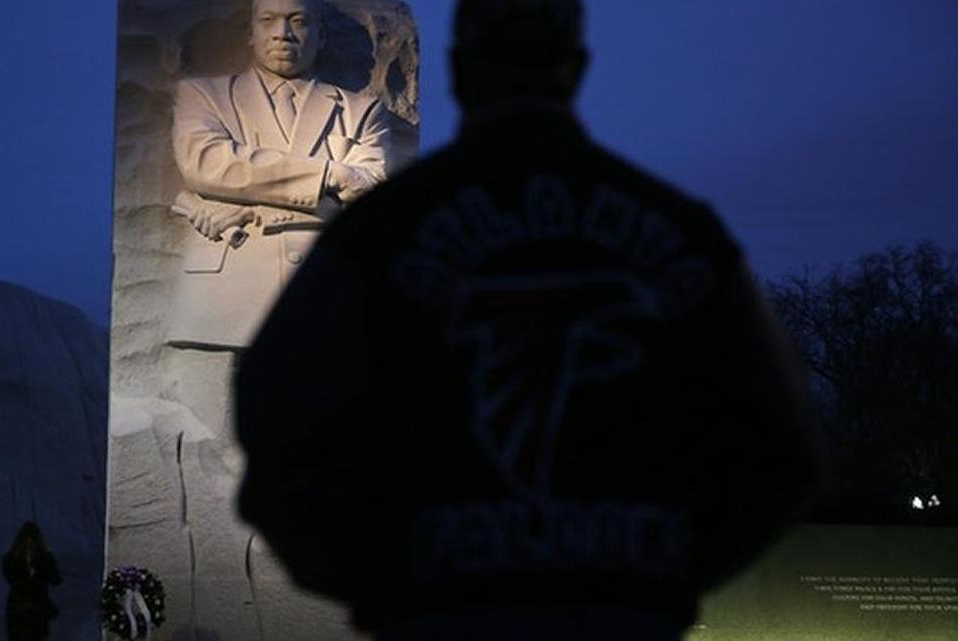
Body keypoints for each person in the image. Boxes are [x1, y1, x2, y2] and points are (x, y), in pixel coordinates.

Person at [234, 0, 826, 639]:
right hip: (620, 613)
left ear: (458, 69)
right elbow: (782, 445)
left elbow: (275, 414)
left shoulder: (379, 233)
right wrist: (657, 573)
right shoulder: (681, 231)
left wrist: (384, 579)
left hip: (440, 612)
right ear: (577, 66)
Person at [167, 0, 394, 348]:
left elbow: (372, 187)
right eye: (268, 20)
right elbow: (207, 163)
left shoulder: (361, 110)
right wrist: (329, 176)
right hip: (226, 292)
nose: (282, 34)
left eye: (298, 21)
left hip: (328, 287)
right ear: (250, 33)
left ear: (321, 37)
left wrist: (242, 193)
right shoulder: (203, 95)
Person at [2, 522, 62, 641]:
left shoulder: (11, 557)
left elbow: (11, 578)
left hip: (21, 608)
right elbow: (56, 579)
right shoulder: (44, 557)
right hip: (34, 608)